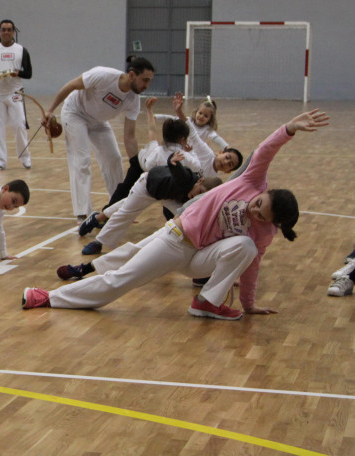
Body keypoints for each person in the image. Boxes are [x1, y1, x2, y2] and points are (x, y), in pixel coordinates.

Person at [22, 109, 329, 320]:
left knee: (247, 248)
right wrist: (288, 129)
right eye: (259, 204)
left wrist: (249, 306)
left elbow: (252, 267)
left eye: (262, 216)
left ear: (272, 223)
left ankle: (206, 302)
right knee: (122, 279)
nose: (255, 211)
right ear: (263, 192)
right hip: (176, 239)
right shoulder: (250, 181)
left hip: (199, 258)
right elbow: (264, 151)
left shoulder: (264, 232)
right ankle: (49, 297)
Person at [78, 96, 203, 254]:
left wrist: (149, 110)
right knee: (129, 210)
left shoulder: (157, 152)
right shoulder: (187, 158)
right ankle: (199, 244)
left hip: (165, 192)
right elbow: (199, 167)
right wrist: (189, 151)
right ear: (183, 139)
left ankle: (98, 239)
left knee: (126, 211)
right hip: (150, 188)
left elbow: (151, 131)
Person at [44, 57, 155, 222]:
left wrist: (136, 163)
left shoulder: (133, 100)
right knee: (82, 160)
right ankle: (83, 213)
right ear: (131, 75)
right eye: (144, 80)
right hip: (75, 113)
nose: (146, 86)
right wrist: (50, 110)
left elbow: (129, 136)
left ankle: (117, 206)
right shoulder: (103, 75)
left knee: (114, 158)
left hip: (99, 122)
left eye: (149, 81)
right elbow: (71, 85)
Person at [0, 19, 33, 171]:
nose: (6, 32)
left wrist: (19, 72)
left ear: (13, 32)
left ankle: (25, 157)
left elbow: (29, 73)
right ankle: (0, 160)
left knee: (19, 125)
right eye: (3, 29)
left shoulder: (21, 50)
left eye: (9, 30)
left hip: (15, 93)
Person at [155, 95, 228, 152]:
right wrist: (155, 117)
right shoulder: (189, 121)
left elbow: (217, 139)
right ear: (196, 112)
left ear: (210, 119)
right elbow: (173, 118)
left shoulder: (208, 130)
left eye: (206, 116)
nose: (201, 116)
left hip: (196, 154)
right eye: (200, 113)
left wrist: (226, 147)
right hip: (182, 150)